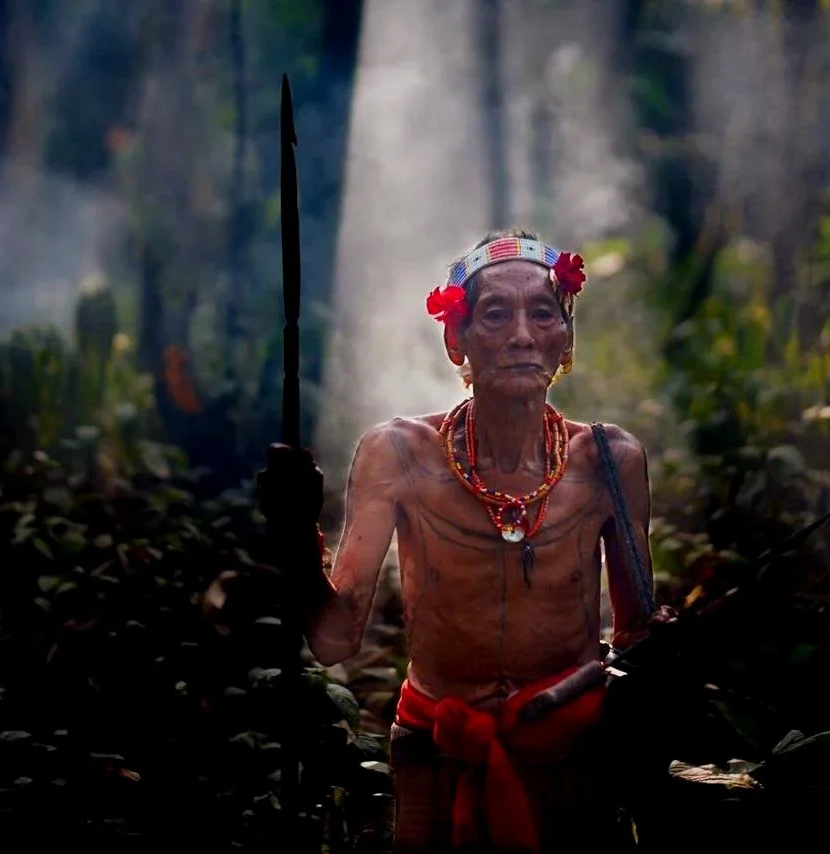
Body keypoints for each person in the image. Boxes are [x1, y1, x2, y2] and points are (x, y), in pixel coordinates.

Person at [261, 228, 674, 853]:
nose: (522, 335)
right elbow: (333, 640)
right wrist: (294, 534)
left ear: (566, 339)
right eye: (496, 314)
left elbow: (637, 641)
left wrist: (661, 647)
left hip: (568, 755)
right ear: (457, 338)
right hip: (437, 750)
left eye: (543, 313)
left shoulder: (610, 462)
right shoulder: (398, 454)